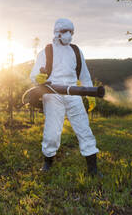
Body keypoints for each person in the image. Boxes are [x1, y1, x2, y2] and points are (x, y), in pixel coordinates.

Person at [30, 18, 102, 177]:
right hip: (52, 93)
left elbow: (84, 74)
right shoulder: (46, 51)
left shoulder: (76, 51)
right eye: (65, 31)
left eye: (71, 32)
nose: (68, 35)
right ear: (57, 33)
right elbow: (34, 74)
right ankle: (47, 162)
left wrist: (90, 94)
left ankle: (93, 169)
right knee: (52, 131)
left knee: (84, 128)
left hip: (73, 92)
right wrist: (38, 78)